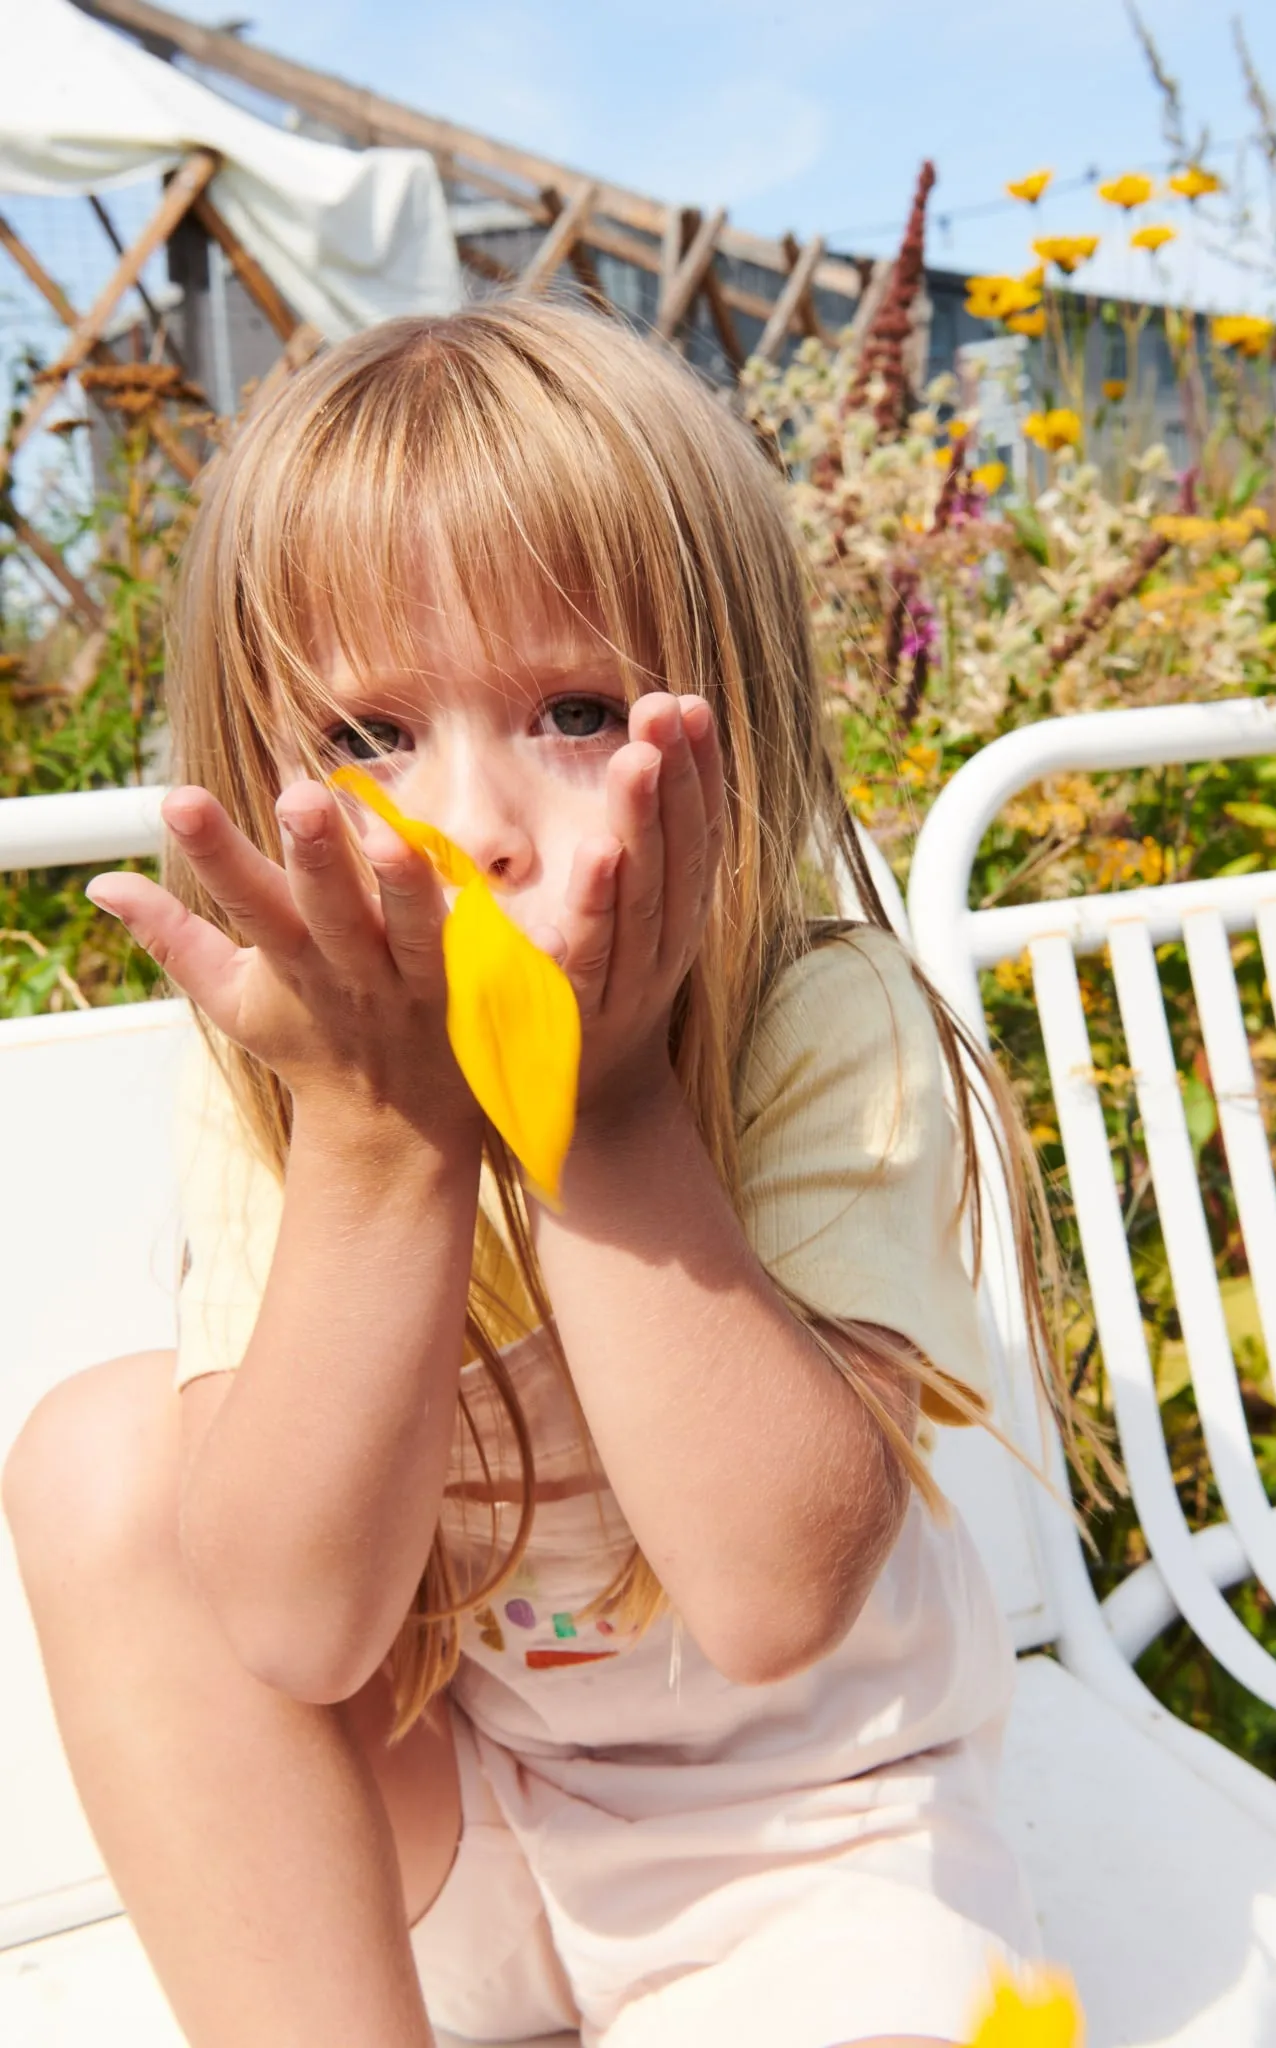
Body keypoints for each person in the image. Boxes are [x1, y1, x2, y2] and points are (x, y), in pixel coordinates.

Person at [3, 302, 1088, 2048]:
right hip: (477, 1826)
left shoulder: (818, 1020)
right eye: (370, 735)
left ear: (735, 732)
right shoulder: (299, 1085)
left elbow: (768, 1601)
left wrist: (611, 1111)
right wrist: (381, 1155)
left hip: (811, 1851)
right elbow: (289, 1632)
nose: (479, 823)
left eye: (576, 708)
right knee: (100, 1457)